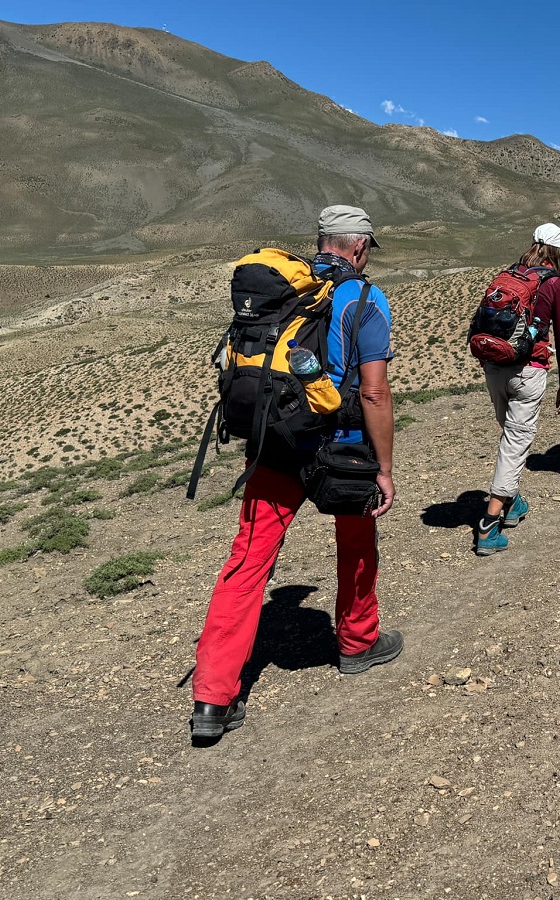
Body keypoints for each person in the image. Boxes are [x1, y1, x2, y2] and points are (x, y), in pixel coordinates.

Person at [189, 204, 400, 741]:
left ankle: (213, 697)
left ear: (323, 241)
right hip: (343, 447)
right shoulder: (365, 298)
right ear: (358, 246)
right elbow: (374, 390)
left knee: (248, 560)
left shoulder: (284, 294)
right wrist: (385, 467)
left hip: (277, 444)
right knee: (356, 542)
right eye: (368, 246)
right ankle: (357, 642)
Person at [475, 224, 560, 556]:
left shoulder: (509, 276)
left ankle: (513, 503)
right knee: (515, 445)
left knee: (510, 439)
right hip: (528, 371)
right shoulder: (556, 284)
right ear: (558, 253)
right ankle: (489, 526)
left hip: (494, 368)